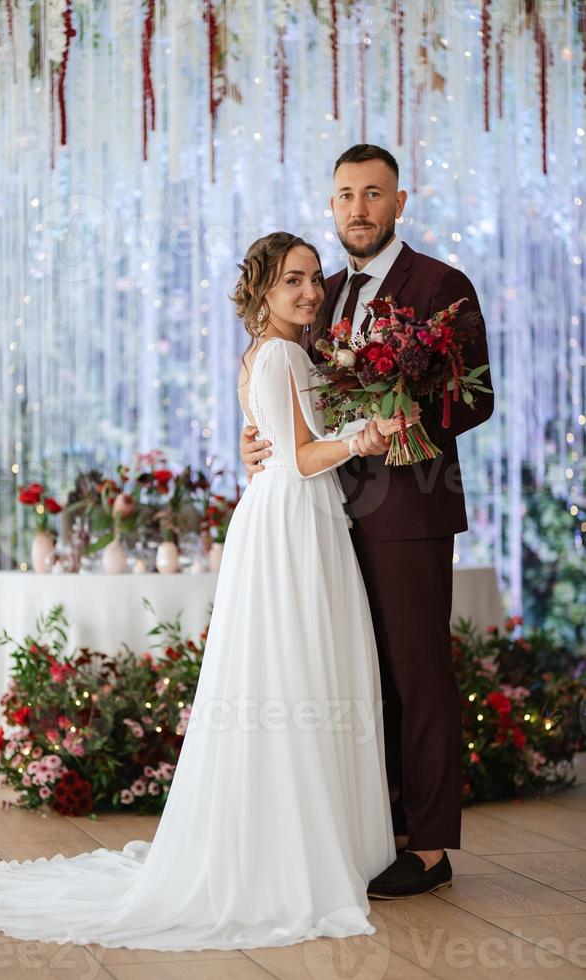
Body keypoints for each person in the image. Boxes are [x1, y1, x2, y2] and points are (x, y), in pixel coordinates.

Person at [0, 232, 420, 950]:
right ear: (261, 292)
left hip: (288, 513)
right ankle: (310, 851)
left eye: (315, 279)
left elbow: (274, 441)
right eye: (294, 280)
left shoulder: (271, 353)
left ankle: (299, 839)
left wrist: (342, 427)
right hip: (295, 518)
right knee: (302, 662)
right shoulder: (284, 353)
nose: (311, 292)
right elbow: (302, 454)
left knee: (290, 669)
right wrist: (367, 436)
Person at [241, 145, 494, 899]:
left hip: (410, 509)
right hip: (323, 514)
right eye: (346, 194)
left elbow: (476, 398)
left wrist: (411, 410)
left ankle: (429, 847)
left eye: (373, 194)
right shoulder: (321, 296)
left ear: (399, 201)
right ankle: (372, 831)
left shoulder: (441, 285)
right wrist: (258, 436)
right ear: (332, 205)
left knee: (418, 677)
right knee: (358, 677)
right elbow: (297, 396)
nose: (359, 208)